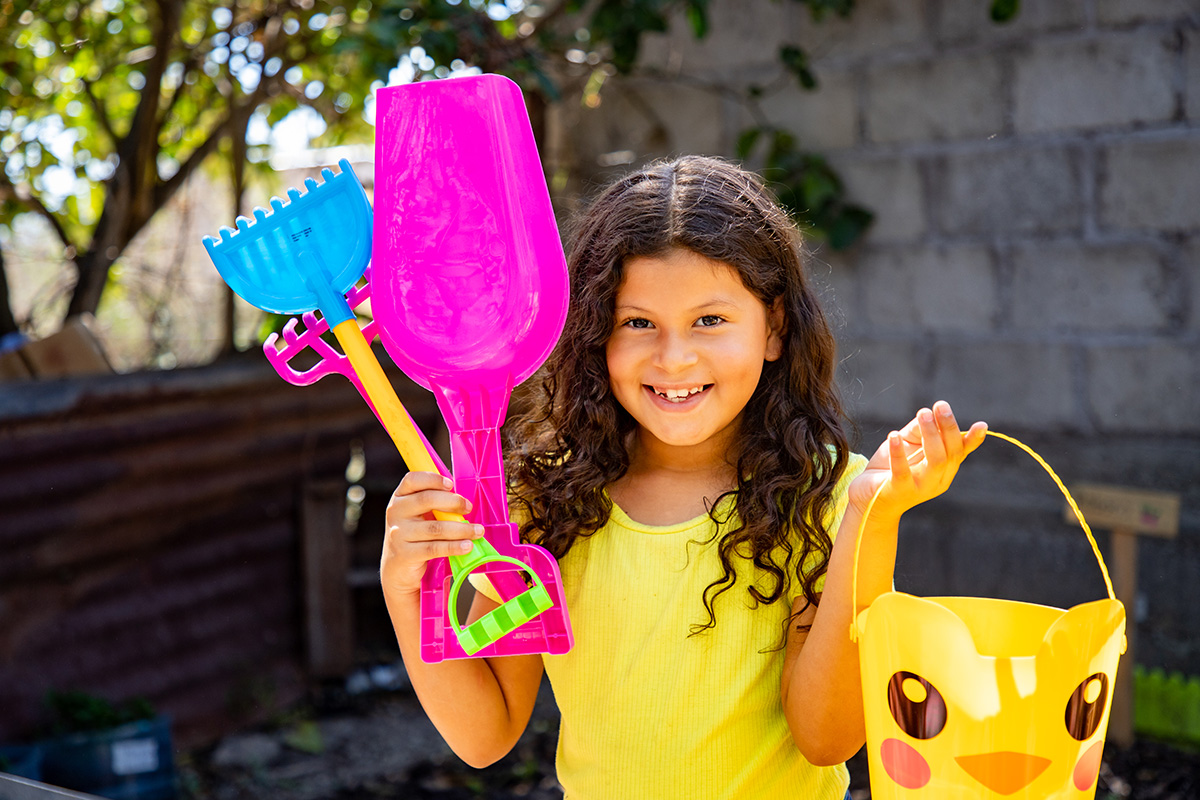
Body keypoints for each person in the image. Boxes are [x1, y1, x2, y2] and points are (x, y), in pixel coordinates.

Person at [380, 155, 988, 799]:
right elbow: (486, 735)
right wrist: (407, 590)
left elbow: (827, 738)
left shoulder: (822, 497)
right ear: (595, 333)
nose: (674, 358)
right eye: (637, 322)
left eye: (710, 320)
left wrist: (873, 517)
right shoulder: (543, 503)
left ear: (774, 327)